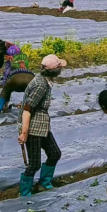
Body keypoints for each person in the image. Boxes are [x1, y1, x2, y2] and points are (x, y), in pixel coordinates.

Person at [17, 54, 67, 196]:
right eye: (59, 68)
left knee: (54, 153)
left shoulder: (45, 80)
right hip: (32, 127)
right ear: (54, 70)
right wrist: (24, 133)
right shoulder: (40, 85)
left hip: (42, 126)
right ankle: (25, 193)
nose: (61, 70)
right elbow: (27, 109)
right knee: (34, 164)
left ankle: (44, 183)